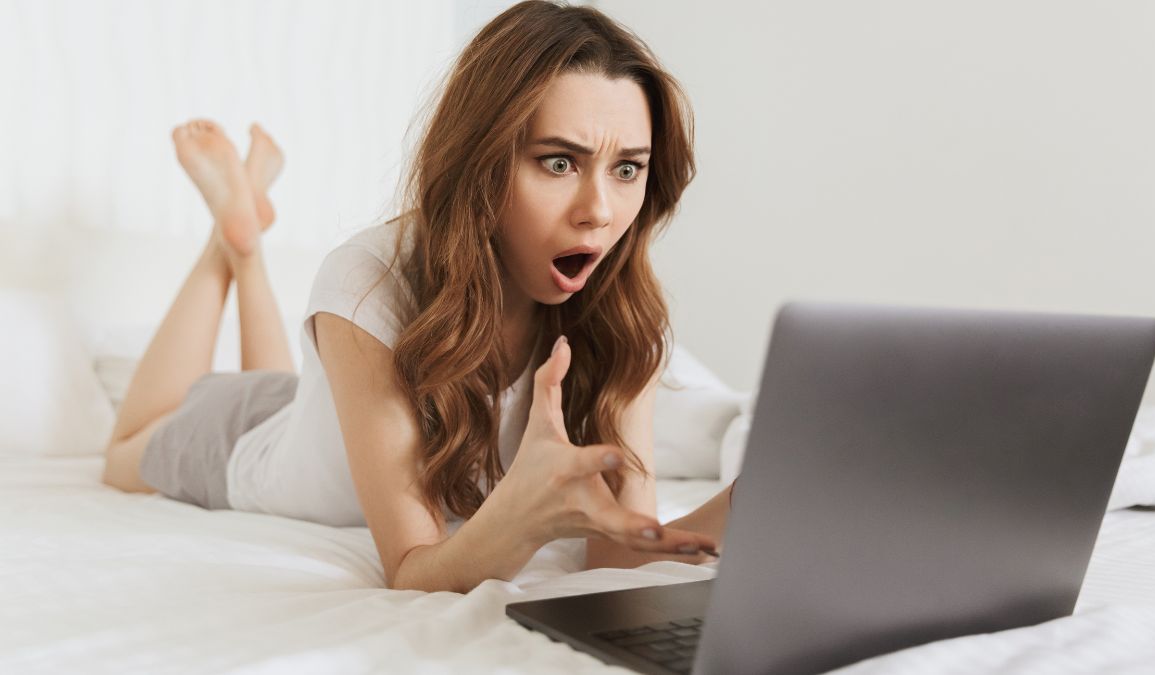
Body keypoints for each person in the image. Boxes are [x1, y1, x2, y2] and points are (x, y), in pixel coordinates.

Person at [101, 0, 734, 593]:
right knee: (124, 450)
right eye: (559, 162)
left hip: (325, 410)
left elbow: (623, 552)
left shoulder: (625, 314)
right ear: (481, 161)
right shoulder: (367, 281)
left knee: (294, 390)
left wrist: (748, 503)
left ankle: (243, 237)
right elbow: (412, 572)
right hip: (256, 444)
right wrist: (521, 518)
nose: (598, 211)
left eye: (628, 169)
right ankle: (230, 243)